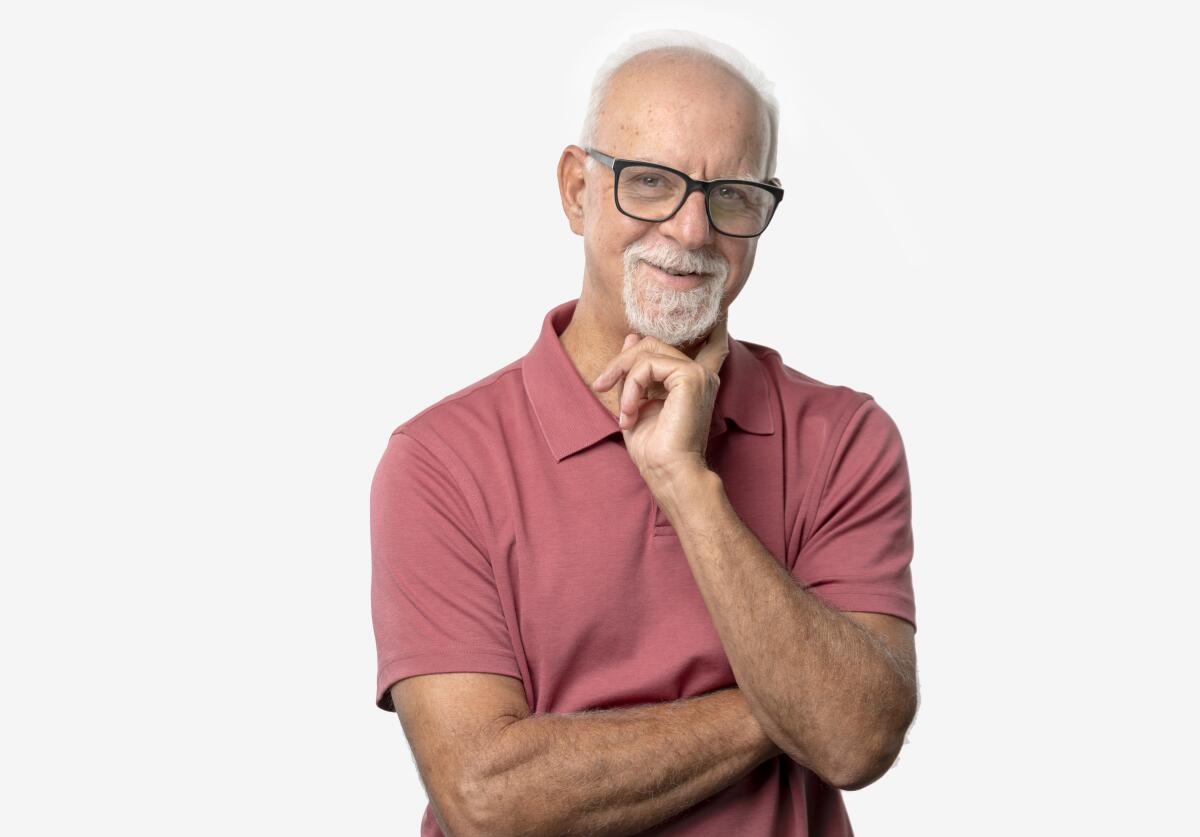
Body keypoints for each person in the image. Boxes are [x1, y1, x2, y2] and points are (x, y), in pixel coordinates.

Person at [370, 29, 918, 837]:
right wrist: (791, 706)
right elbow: (488, 799)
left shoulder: (843, 438)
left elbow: (860, 738)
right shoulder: (440, 462)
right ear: (576, 190)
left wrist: (688, 487)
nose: (693, 232)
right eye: (651, 182)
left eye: (731, 194)